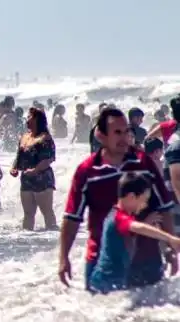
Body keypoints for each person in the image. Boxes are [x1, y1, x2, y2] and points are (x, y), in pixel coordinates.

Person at [59, 107, 175, 290]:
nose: (124, 137)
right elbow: (72, 217)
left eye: (127, 131)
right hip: (102, 261)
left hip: (146, 259)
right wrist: (63, 257)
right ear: (101, 135)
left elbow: (164, 207)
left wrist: (169, 248)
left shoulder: (144, 164)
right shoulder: (87, 171)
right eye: (117, 132)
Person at [88, 172, 180, 293]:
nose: (145, 205)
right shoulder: (119, 217)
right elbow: (137, 227)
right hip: (106, 282)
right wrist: (170, 239)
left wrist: (146, 223)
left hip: (113, 281)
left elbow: (131, 232)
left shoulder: (120, 215)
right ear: (131, 197)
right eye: (144, 200)